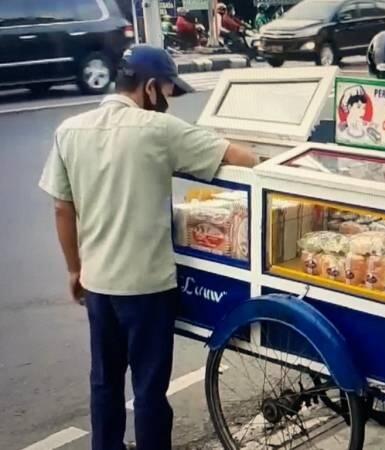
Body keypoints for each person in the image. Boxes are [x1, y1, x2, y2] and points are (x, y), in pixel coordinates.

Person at [38, 45, 257, 450]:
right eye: (168, 94)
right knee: (150, 390)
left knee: (104, 381)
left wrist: (74, 269)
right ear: (151, 87)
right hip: (148, 290)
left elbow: (61, 208)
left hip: (98, 284)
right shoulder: (159, 131)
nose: (168, 105)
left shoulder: (70, 130)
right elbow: (242, 157)